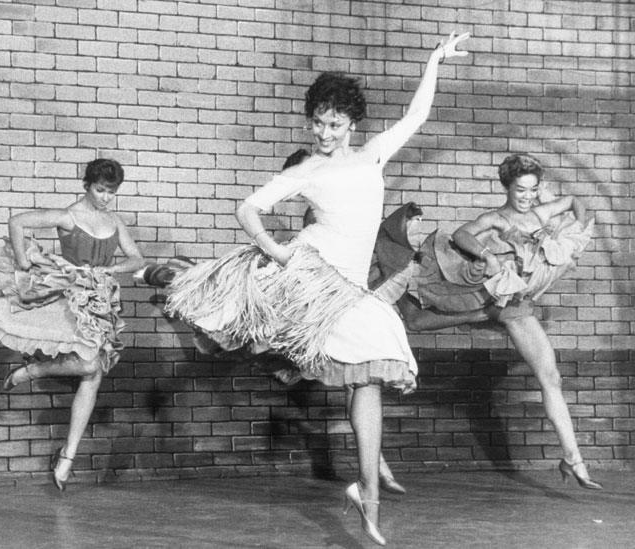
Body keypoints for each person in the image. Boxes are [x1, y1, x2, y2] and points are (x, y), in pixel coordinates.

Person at [164, 33, 470, 546]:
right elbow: (247, 208)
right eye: (318, 122)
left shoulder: (372, 155)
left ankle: (367, 491)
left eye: (334, 123)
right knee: (231, 326)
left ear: (352, 124)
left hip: (346, 288)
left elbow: (417, 117)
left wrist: (432, 61)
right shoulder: (309, 169)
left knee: (368, 378)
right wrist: (276, 250)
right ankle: (175, 284)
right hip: (308, 273)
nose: (325, 132)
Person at [380, 153, 600, 489]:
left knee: (550, 376)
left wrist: (573, 244)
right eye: (520, 190)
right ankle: (573, 458)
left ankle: (572, 458)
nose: (526, 197)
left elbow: (574, 202)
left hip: (518, 302)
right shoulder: (497, 218)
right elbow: (462, 235)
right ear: (507, 188)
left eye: (532, 190)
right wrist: (487, 257)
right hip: (499, 297)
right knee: (418, 320)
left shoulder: (542, 211)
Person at [0, 158, 144, 491]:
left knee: (94, 372)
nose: (105, 197)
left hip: (102, 301)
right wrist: (23, 262)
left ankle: (67, 456)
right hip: (71, 301)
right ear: (87, 185)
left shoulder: (114, 220)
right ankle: (33, 372)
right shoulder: (69, 216)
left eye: (111, 192)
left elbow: (136, 258)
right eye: (100, 190)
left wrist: (114, 271)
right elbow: (17, 222)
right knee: (89, 364)